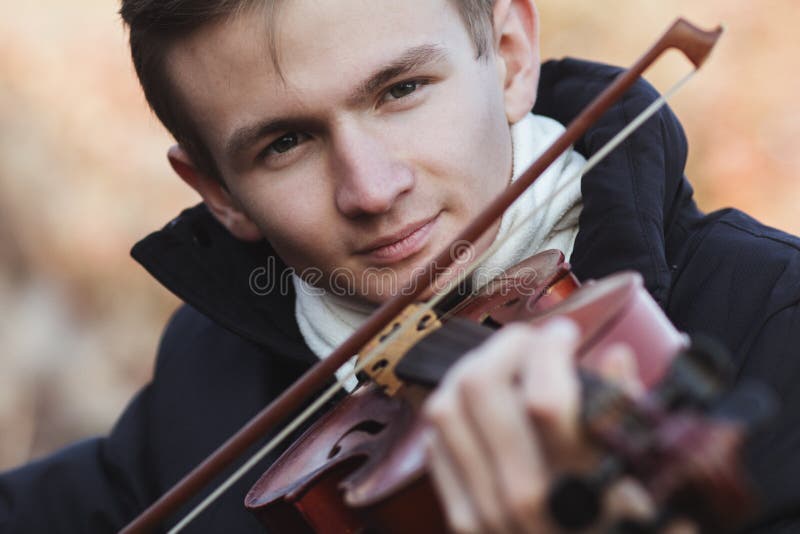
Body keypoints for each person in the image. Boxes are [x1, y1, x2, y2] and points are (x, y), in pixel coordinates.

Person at [2, 0, 800, 532]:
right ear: (217, 192)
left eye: (402, 89)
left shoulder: (773, 319)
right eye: (285, 144)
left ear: (512, 56)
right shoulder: (211, 374)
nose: (373, 189)